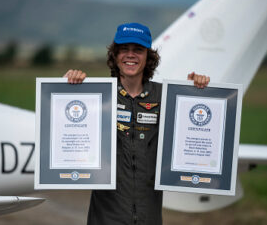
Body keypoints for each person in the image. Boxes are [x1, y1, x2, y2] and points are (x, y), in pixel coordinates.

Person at [64, 22, 209, 225]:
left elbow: (193, 127)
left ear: (148, 57)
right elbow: (66, 119)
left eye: (138, 50)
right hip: (105, 218)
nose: (130, 55)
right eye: (124, 49)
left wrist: (195, 90)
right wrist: (68, 86)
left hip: (148, 218)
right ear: (115, 55)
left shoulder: (165, 97)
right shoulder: (98, 97)